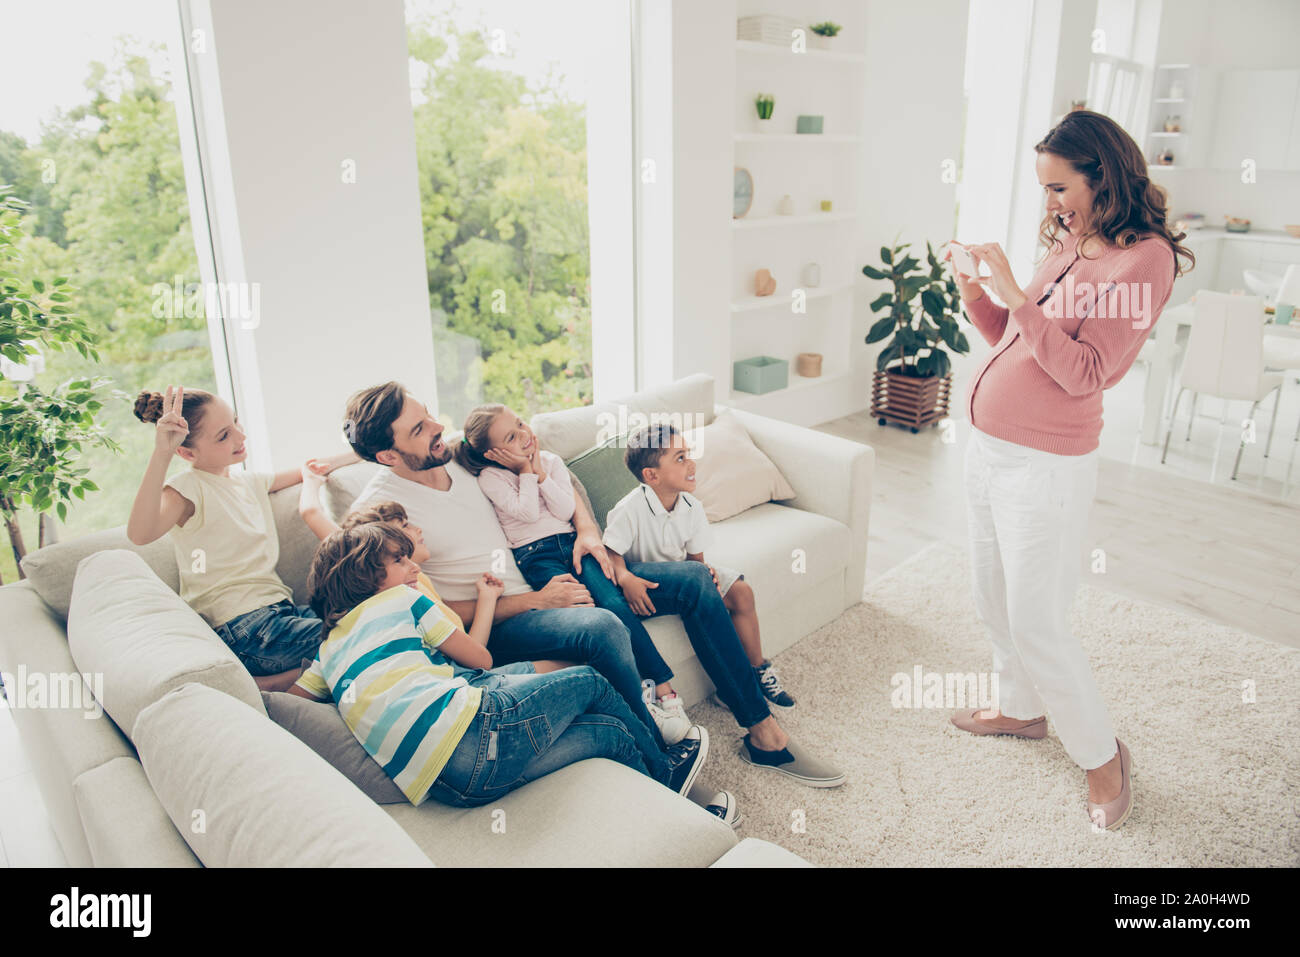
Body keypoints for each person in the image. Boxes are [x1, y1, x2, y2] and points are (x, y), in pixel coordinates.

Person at [947, 109, 1194, 829]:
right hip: (988, 448)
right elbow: (1019, 341)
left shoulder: (1143, 259)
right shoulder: (1073, 239)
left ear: (1103, 173)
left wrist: (1018, 294)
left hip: (1045, 465)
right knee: (990, 595)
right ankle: (1022, 710)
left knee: (1037, 620)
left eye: (1059, 187)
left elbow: (1084, 371)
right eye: (1044, 189)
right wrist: (976, 293)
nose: (1050, 203)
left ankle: (1104, 758)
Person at [287, 523, 709, 808]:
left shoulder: (329, 647)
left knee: (611, 733)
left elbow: (288, 703)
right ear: (362, 573)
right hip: (473, 728)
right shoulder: (405, 600)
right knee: (590, 681)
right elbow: (481, 660)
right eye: (400, 561)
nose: (414, 566)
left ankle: (668, 805)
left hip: (451, 785)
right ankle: (667, 770)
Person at [603, 424, 845, 788]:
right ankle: (761, 730)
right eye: (680, 458)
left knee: (739, 591)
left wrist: (708, 575)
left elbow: (695, 560)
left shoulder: (690, 505)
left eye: (689, 454)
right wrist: (625, 579)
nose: (692, 464)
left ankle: (752, 672)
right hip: (643, 582)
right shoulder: (629, 509)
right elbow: (611, 557)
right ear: (651, 475)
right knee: (697, 580)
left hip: (682, 574)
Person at [456, 402, 694, 744]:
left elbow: (565, 508)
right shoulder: (491, 478)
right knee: (586, 612)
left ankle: (664, 688)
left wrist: (539, 472)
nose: (524, 435)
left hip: (575, 545)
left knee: (613, 602)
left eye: (521, 424)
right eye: (511, 436)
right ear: (493, 453)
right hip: (538, 556)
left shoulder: (551, 461)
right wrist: (525, 470)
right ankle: (637, 697)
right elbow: (524, 512)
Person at [127, 386, 357, 691]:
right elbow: (140, 534)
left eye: (236, 423)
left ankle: (276, 683)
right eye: (224, 435)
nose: (240, 437)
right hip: (243, 628)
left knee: (367, 616)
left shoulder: (248, 482)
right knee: (359, 638)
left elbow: (312, 468)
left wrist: (367, 452)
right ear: (186, 452)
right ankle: (269, 685)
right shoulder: (186, 489)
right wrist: (162, 454)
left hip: (280, 614)